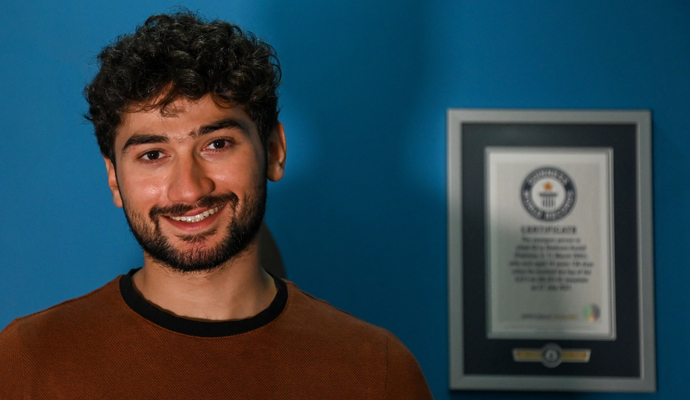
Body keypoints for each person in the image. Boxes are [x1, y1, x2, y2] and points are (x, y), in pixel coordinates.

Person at [0, 10, 433, 399]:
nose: (189, 190)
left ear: (274, 150)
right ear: (114, 179)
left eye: (217, 144)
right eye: (153, 154)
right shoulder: (29, 359)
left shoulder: (377, 370)